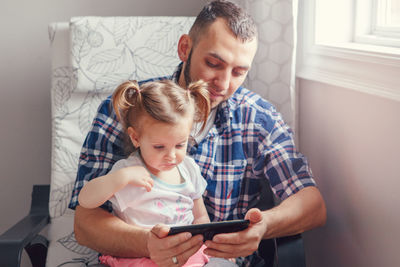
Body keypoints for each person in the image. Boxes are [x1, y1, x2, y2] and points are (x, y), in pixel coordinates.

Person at [70, 1, 327, 266]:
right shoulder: (128, 110)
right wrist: (148, 243)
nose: (225, 84)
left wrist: (265, 226)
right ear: (185, 48)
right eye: (214, 63)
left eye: (239, 72)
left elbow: (312, 204)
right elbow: (85, 224)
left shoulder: (259, 119)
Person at [78, 79, 216, 266]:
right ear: (135, 137)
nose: (171, 155)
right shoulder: (128, 170)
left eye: (180, 144)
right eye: (159, 147)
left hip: (184, 254)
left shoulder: (189, 170)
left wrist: (207, 243)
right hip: (139, 256)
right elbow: (85, 200)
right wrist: (120, 178)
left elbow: (200, 217)